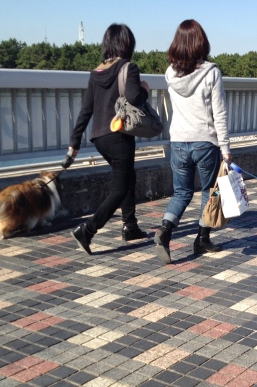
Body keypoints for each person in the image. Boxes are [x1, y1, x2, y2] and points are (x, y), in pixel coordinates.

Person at [154, 19, 232, 264]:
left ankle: (165, 230)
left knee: (181, 193)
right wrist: (226, 150)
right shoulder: (211, 73)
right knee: (209, 192)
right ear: (202, 42)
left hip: (178, 141)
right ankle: (201, 239)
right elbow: (219, 114)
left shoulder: (170, 74)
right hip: (204, 142)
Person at [68, 23, 149, 254]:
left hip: (99, 137)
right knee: (119, 189)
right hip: (119, 136)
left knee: (127, 178)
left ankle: (130, 226)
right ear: (127, 44)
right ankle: (87, 230)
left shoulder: (97, 72)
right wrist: (144, 88)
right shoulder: (128, 67)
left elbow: (86, 110)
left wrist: (74, 143)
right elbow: (134, 96)